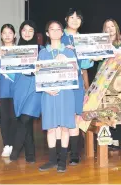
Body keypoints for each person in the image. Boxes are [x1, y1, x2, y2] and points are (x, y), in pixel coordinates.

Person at [38, 20, 78, 173]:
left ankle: (62, 160)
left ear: (62, 32)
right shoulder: (43, 52)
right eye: (51, 29)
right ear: (47, 33)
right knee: (50, 128)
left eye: (58, 29)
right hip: (48, 95)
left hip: (66, 94)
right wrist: (46, 89)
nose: (55, 32)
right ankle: (52, 160)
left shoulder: (69, 51)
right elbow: (39, 74)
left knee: (64, 127)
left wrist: (67, 61)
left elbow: (75, 73)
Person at [59, 8, 93, 165]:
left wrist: (91, 56)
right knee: (61, 116)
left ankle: (74, 153)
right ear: (66, 19)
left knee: (75, 117)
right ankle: (61, 151)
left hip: (77, 82)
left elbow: (85, 65)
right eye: (71, 17)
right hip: (61, 82)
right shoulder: (58, 35)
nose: (74, 20)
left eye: (78, 18)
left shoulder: (82, 39)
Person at [10, 20, 42, 163]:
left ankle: (15, 151)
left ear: (35, 33)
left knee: (26, 118)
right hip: (19, 86)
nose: (27, 33)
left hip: (35, 87)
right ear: (20, 32)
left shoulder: (42, 50)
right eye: (24, 30)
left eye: (31, 30)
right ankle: (30, 154)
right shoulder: (14, 50)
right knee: (24, 120)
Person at [101, 18, 121, 150]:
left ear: (116, 28)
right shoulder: (101, 44)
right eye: (107, 27)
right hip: (103, 79)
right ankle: (105, 140)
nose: (110, 29)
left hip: (118, 81)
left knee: (115, 110)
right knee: (104, 110)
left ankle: (117, 140)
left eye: (112, 26)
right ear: (104, 30)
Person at [0, 24, 18, 157]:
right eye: (4, 33)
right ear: (1, 36)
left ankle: (14, 145)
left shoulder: (20, 51)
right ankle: (6, 145)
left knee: (15, 118)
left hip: (17, 90)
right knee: (4, 119)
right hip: (3, 90)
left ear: (14, 35)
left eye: (10, 33)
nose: (7, 35)